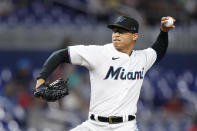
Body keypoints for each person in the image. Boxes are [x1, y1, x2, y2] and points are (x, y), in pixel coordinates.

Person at [35, 15, 175, 131]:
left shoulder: (142, 58)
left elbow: (158, 50)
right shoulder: (99, 53)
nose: (116, 35)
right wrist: (41, 79)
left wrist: (164, 32)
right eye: (115, 31)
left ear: (134, 36)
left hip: (125, 126)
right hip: (94, 125)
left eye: (122, 31)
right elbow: (60, 55)